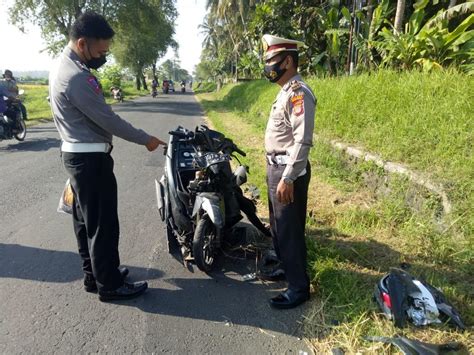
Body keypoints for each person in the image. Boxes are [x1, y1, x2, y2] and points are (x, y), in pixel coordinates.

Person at [49, 11, 166, 302]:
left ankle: (96, 275)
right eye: (100, 51)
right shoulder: (77, 77)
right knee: (103, 224)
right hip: (90, 161)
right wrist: (146, 139)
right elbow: (108, 120)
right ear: (81, 43)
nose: (103, 57)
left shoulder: (62, 66)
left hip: (76, 156)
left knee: (85, 222)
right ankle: (110, 285)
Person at [260, 34, 316, 309]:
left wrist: (289, 177)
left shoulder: (298, 93)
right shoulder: (284, 91)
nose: (268, 67)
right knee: (279, 227)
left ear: (289, 61)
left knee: (290, 231)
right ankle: (285, 268)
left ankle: (298, 288)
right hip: (276, 167)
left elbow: (302, 139)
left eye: (272, 61)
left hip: (287, 171)